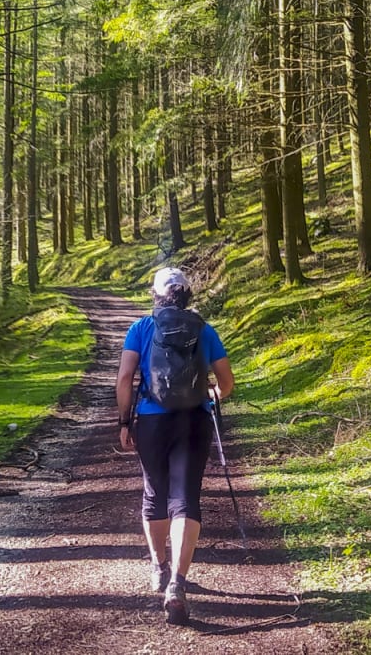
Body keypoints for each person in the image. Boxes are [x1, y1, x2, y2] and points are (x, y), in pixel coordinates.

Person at [116, 267, 234, 626]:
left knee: (155, 494)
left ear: (155, 295)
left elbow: (124, 378)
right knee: (186, 499)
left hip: (152, 420)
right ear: (187, 295)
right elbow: (226, 383)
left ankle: (158, 566)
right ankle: (177, 584)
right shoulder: (204, 329)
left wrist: (125, 421)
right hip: (194, 421)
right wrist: (208, 395)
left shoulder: (141, 328)